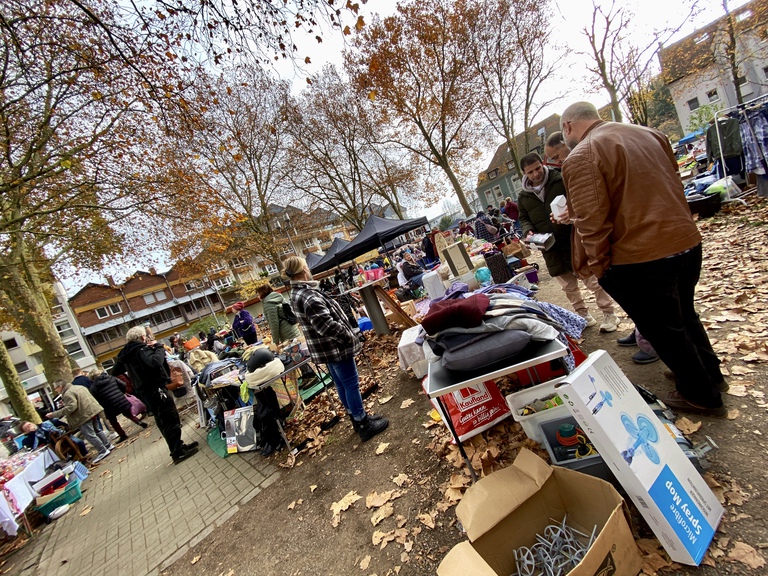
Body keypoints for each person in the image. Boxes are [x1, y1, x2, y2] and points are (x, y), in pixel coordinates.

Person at [559, 101, 726, 417]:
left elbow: (592, 221)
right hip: (685, 241)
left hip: (642, 256)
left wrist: (600, 266)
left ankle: (700, 393)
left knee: (665, 329)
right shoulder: (649, 133)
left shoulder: (581, 155)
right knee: (684, 315)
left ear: (568, 126)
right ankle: (710, 374)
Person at [283, 256, 388, 442]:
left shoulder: (297, 292)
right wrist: (348, 337)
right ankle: (363, 424)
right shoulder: (307, 295)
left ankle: (357, 418)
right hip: (335, 347)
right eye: (307, 266)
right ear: (303, 270)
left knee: (342, 384)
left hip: (326, 349)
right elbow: (326, 326)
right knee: (351, 385)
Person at [518, 151, 618, 332]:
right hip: (549, 247)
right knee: (568, 287)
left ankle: (609, 313)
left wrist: (571, 213)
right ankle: (583, 316)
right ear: (524, 174)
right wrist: (528, 231)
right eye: (530, 172)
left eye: (537, 168)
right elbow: (523, 218)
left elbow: (577, 200)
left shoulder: (560, 179)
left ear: (543, 164)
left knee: (592, 279)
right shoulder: (523, 197)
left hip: (572, 239)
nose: (535, 174)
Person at [112, 326, 199, 463]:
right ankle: (178, 452)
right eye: (145, 336)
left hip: (145, 392)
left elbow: (115, 370)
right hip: (155, 389)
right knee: (170, 419)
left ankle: (178, 447)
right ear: (142, 338)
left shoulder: (127, 353)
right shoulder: (140, 350)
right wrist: (158, 348)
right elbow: (155, 362)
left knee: (163, 421)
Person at [46, 379, 114, 464]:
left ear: (60, 386)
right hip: (92, 411)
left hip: (83, 416)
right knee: (97, 431)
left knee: (90, 435)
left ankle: (102, 450)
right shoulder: (79, 387)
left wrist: (54, 414)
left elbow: (71, 407)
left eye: (55, 388)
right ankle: (108, 445)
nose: (55, 390)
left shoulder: (67, 394)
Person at [88, 369, 148, 443]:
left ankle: (122, 435)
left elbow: (95, 398)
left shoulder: (93, 387)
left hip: (108, 405)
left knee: (113, 421)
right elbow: (123, 384)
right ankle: (138, 421)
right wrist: (121, 393)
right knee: (128, 414)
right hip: (120, 399)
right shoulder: (111, 378)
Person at [18, 420, 88, 457]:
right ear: (25, 432)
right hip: (51, 449)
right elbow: (33, 449)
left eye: (29, 425)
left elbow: (64, 427)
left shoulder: (45, 424)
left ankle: (85, 455)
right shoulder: (27, 440)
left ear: (32, 423)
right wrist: (32, 433)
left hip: (63, 438)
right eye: (26, 428)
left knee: (79, 442)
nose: (29, 427)